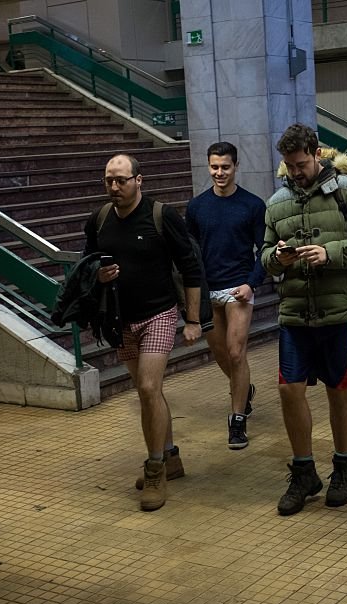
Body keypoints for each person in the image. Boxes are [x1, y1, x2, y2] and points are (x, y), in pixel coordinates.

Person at [261, 124, 347, 516]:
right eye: (289, 165)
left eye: (300, 164)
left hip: (339, 310)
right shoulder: (277, 202)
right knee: (288, 390)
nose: (295, 172)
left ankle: (343, 468)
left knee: (339, 389)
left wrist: (330, 252)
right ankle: (304, 473)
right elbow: (265, 256)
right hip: (295, 311)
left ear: (316, 153)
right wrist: (277, 259)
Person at [83, 154, 203, 511]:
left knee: (149, 388)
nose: (114, 187)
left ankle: (154, 469)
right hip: (122, 320)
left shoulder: (161, 216)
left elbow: (190, 266)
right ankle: (171, 458)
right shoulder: (100, 219)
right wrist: (98, 276)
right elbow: (86, 265)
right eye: (109, 181)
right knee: (148, 392)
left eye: (121, 180)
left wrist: (194, 320)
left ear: (139, 180)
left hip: (159, 314)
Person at [184, 142, 266, 449]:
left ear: (236, 167)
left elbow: (264, 249)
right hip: (208, 290)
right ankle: (244, 390)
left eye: (225, 167)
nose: (220, 172)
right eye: (215, 167)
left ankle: (237, 422)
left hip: (238, 289)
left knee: (235, 353)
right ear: (208, 167)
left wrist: (252, 283)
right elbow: (189, 255)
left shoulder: (253, 205)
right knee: (221, 356)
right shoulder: (196, 207)